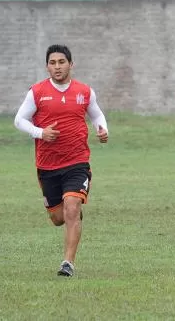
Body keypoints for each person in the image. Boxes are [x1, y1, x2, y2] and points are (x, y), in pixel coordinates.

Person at [13, 44, 109, 277]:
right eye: (52, 63)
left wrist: (102, 128)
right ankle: (69, 211)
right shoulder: (37, 92)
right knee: (58, 218)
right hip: (47, 166)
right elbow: (19, 120)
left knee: (72, 207)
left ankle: (68, 263)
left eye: (61, 62)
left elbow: (96, 113)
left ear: (70, 64)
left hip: (77, 162)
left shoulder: (85, 91)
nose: (57, 67)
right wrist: (40, 133)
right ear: (47, 66)